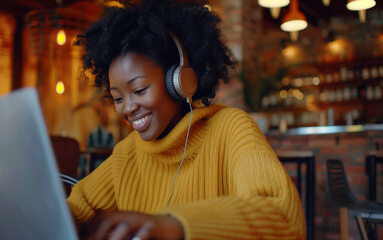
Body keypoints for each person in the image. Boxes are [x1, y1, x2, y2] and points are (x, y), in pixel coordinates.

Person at [67, 0, 306, 239]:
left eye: (139, 90)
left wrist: (175, 226)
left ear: (180, 81)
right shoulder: (126, 155)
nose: (128, 108)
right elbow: (75, 208)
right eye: (118, 98)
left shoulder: (231, 128)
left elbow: (281, 213)